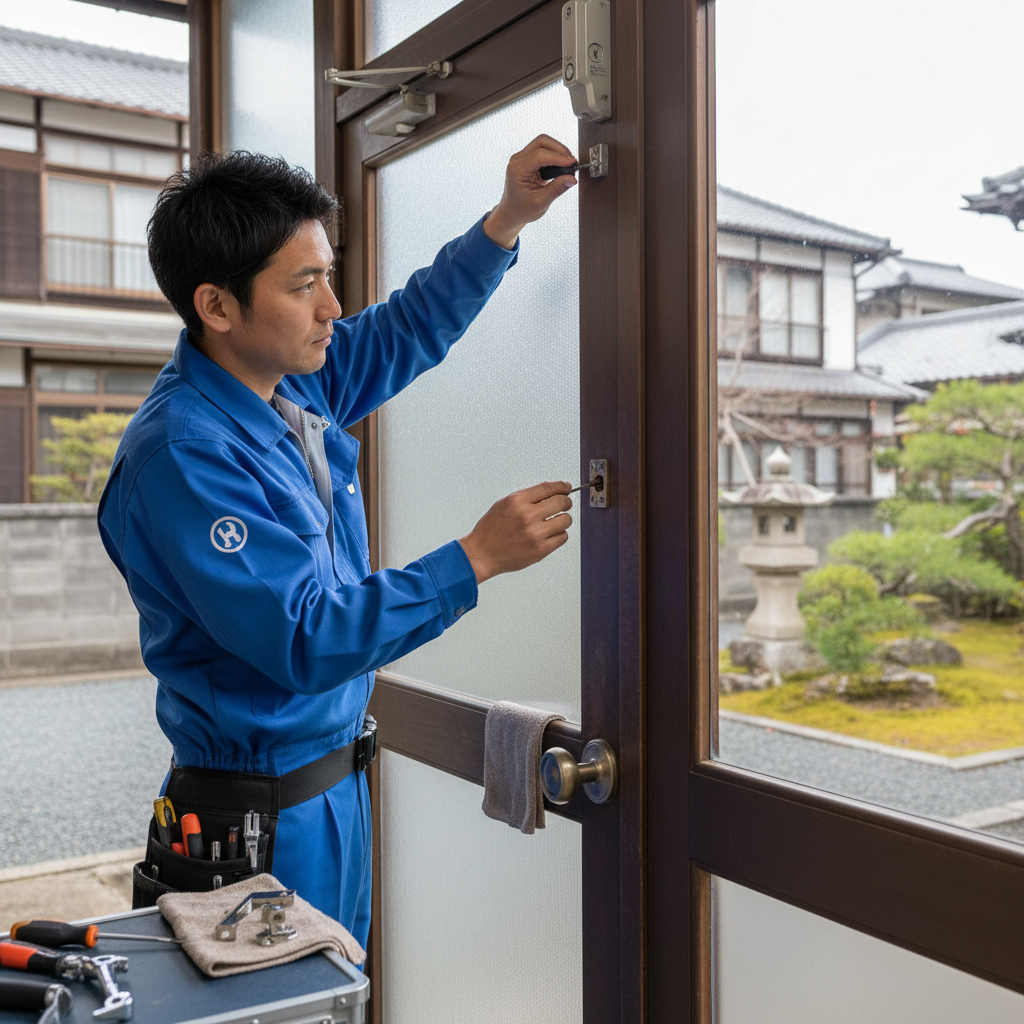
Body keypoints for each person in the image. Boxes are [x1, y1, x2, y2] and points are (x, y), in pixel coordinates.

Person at [97, 137, 579, 951]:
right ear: (217, 306)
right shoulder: (184, 454)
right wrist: (475, 558)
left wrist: (507, 219)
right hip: (258, 818)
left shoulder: (288, 379)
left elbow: (406, 330)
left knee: (336, 997)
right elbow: (305, 636)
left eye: (326, 274)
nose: (332, 306)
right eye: (304, 284)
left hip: (328, 791)